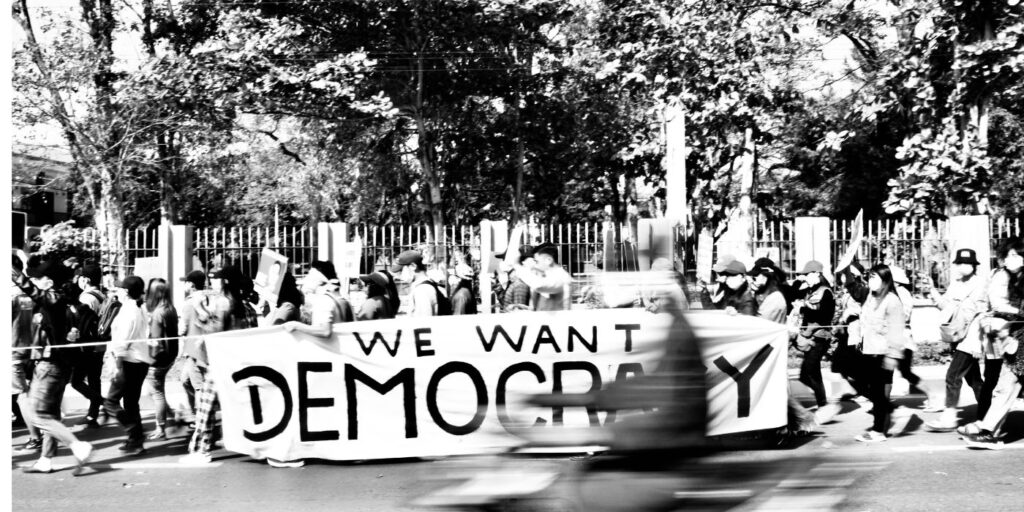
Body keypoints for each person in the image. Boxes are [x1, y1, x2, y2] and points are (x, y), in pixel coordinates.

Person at [13, 254, 94, 474]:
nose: (36, 281)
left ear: (49, 281)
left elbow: (35, 293)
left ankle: (78, 446)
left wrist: (16, 275)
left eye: (39, 278)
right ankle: (46, 459)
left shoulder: (54, 299)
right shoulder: (58, 300)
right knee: (51, 414)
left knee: (38, 414)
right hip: (57, 364)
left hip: (49, 365)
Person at [181, 265, 257, 466]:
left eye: (216, 278)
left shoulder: (223, 303)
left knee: (206, 408)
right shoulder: (246, 306)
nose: (212, 282)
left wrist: (199, 309)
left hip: (220, 363)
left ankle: (201, 449)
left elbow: (214, 329)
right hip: (240, 363)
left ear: (224, 282)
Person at [962, 239, 1024, 449]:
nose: (1010, 260)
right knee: (1005, 387)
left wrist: (1001, 314)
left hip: (1018, 341)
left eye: (1016, 255)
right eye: (1008, 255)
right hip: (1017, 343)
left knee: (1005, 386)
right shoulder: (1005, 277)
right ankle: (989, 431)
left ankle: (989, 430)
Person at [924, 248, 990, 432]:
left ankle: (949, 417)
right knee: (974, 380)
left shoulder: (981, 284)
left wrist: (979, 342)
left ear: (974, 266)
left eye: (967, 263)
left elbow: (983, 314)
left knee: (952, 376)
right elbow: (946, 307)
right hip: (958, 337)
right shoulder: (956, 284)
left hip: (971, 339)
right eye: (960, 263)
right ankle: (989, 414)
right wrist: (932, 290)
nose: (963, 266)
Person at [854, 264, 907, 443]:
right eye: (870, 277)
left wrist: (892, 356)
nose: (871, 281)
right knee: (874, 392)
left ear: (885, 280)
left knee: (879, 393)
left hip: (883, 353)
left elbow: (897, 331)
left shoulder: (892, 301)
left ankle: (878, 431)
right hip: (869, 350)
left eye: (875, 278)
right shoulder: (871, 297)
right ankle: (880, 426)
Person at [103, 275, 153, 456]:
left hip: (128, 362)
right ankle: (136, 441)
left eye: (119, 289)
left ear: (125, 291)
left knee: (110, 402)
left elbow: (123, 341)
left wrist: (117, 365)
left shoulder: (129, 312)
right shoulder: (138, 309)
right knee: (131, 403)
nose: (116, 291)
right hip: (139, 361)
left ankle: (134, 432)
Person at [792, 261, 835, 409]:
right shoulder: (810, 291)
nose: (805, 278)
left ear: (817, 274)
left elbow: (825, 315)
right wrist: (800, 281)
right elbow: (793, 292)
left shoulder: (826, 292)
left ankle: (823, 405)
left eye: (807, 274)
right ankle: (823, 402)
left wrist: (805, 306)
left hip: (820, 337)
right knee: (806, 374)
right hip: (810, 336)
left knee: (811, 370)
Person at [12, 253, 42, 454]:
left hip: (12, 348)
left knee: (22, 394)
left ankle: (35, 436)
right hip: (29, 346)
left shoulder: (9, 294)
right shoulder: (29, 292)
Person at [144, 278, 179, 440]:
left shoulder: (158, 313)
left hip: (158, 359)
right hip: (170, 356)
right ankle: (171, 417)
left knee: (156, 394)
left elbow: (155, 341)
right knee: (158, 392)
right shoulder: (170, 309)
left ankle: (161, 428)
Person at [284, 260, 353, 337]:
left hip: (330, 348)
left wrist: (296, 326)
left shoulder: (324, 300)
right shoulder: (342, 295)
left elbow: (325, 331)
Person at [515, 242, 572, 312]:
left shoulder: (561, 277)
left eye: (537, 261)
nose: (535, 265)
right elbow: (545, 306)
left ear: (548, 260)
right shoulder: (550, 277)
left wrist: (517, 266)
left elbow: (538, 285)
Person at [393, 250, 447, 316]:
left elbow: (423, 322)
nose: (398, 275)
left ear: (413, 266)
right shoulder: (426, 284)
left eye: (401, 271)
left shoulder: (422, 290)